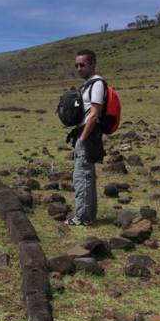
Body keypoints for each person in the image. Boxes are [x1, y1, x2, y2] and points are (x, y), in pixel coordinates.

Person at [67, 49, 105, 227]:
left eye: (83, 64)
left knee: (81, 176)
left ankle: (81, 217)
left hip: (88, 136)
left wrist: (82, 138)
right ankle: (88, 216)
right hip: (86, 134)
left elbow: (95, 114)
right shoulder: (88, 85)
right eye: (76, 65)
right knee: (86, 176)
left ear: (92, 64)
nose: (79, 68)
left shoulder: (97, 84)